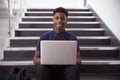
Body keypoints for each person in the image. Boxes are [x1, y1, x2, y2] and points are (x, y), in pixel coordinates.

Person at [33, 7, 81, 80]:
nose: (60, 21)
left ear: (66, 21)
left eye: (62, 18)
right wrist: (46, 60)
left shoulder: (72, 38)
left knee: (74, 69)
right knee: (41, 69)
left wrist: (69, 61)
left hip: (66, 69)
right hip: (49, 69)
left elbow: (79, 60)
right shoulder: (44, 37)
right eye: (57, 18)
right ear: (53, 20)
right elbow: (35, 59)